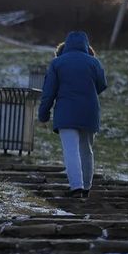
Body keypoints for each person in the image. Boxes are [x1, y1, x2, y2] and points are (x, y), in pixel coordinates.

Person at [38, 31, 107, 198]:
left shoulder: (57, 63)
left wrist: (43, 114)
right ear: (86, 45)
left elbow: (49, 91)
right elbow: (102, 85)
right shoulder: (93, 62)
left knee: (71, 150)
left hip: (66, 112)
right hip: (89, 112)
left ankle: (76, 187)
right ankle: (87, 187)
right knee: (86, 150)